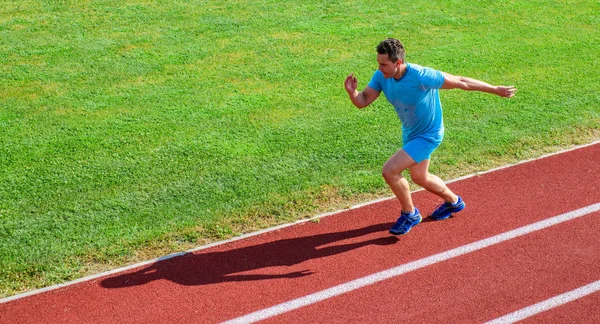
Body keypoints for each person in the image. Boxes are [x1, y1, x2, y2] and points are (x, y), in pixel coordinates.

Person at [344, 38, 516, 235]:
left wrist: (495, 89)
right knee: (420, 177)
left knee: (390, 171)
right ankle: (454, 202)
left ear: (398, 63)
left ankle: (410, 213)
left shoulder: (421, 75)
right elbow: (363, 101)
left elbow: (460, 81)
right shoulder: (381, 76)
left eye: (383, 64)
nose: (379, 68)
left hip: (428, 134)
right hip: (410, 132)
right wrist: (352, 92)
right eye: (378, 63)